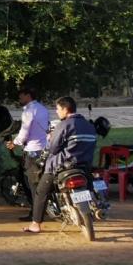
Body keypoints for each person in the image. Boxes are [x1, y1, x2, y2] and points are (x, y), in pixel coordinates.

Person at [24, 96, 97, 234]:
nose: (57, 112)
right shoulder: (89, 126)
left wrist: (50, 138)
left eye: (58, 109)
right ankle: (93, 208)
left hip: (60, 166)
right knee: (90, 188)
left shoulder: (64, 125)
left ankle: (35, 224)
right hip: (84, 166)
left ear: (65, 109)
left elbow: (53, 149)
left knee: (41, 192)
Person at [5, 87, 49, 221]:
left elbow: (24, 132)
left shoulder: (29, 111)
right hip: (44, 149)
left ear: (28, 96)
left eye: (21, 96)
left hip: (32, 151)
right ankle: (41, 210)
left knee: (32, 184)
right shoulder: (42, 109)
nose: (19, 98)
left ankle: (36, 215)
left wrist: (14, 142)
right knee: (42, 181)